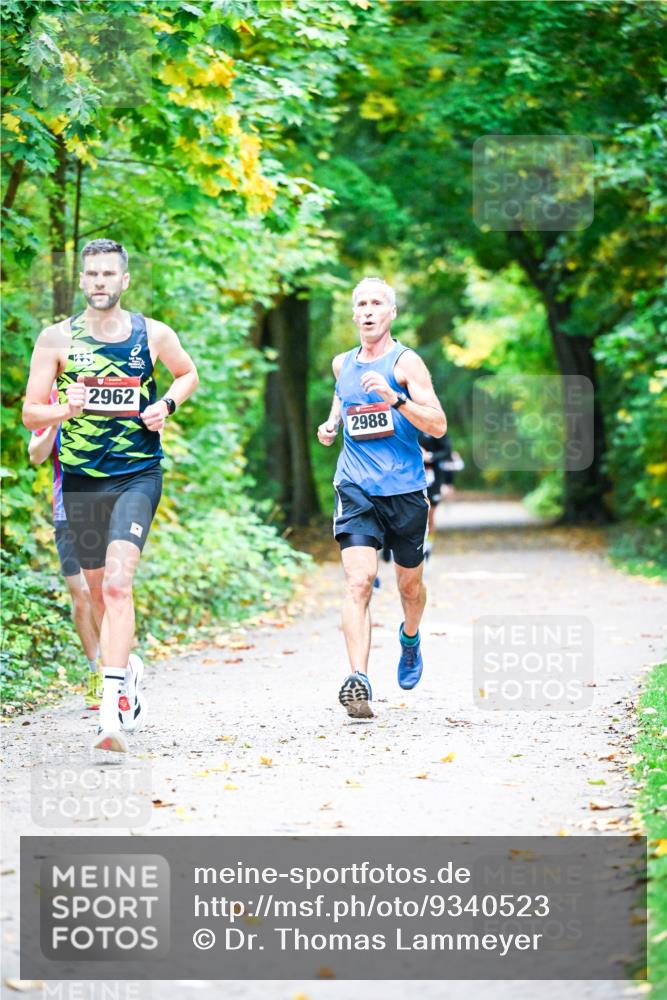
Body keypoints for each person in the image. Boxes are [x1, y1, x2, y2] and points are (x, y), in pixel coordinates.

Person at [23, 238, 198, 752]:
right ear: (82, 281)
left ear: (124, 281)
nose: (100, 281)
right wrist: (64, 410)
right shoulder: (55, 340)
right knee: (98, 594)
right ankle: (129, 674)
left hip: (138, 474)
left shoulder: (153, 334)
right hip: (80, 479)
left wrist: (165, 403)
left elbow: (187, 374)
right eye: (91, 274)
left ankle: (110, 714)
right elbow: (32, 413)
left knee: (118, 587)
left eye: (109, 274)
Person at [317, 277, 446, 719]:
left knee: (409, 586)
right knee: (358, 581)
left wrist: (397, 400)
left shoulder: (407, 364)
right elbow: (343, 397)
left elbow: (438, 425)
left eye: (377, 303)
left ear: (391, 313)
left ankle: (410, 638)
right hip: (355, 487)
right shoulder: (342, 364)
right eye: (361, 304)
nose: (368, 311)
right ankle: (359, 681)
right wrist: (331, 424)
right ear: (354, 314)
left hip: (406, 490)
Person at [28, 385, 102, 708]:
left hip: (106, 507)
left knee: (107, 591)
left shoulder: (103, 388)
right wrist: (58, 418)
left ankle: (118, 670)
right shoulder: (50, 399)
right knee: (82, 594)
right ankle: (95, 672)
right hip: (66, 510)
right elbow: (35, 455)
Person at [418, 429, 451, 559]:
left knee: (429, 516)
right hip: (412, 478)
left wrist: (429, 456)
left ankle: (428, 548)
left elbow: (447, 451)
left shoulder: (434, 426)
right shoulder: (407, 423)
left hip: (433, 478)